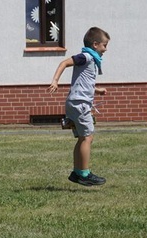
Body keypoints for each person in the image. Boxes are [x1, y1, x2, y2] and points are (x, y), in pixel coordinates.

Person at [47, 26, 110, 186]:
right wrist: (55, 80)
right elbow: (64, 63)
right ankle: (84, 173)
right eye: (104, 45)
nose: (106, 49)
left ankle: (77, 172)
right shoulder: (86, 57)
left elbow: (84, 82)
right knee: (87, 137)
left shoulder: (90, 60)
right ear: (95, 44)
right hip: (79, 104)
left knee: (82, 138)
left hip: (75, 103)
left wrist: (97, 89)